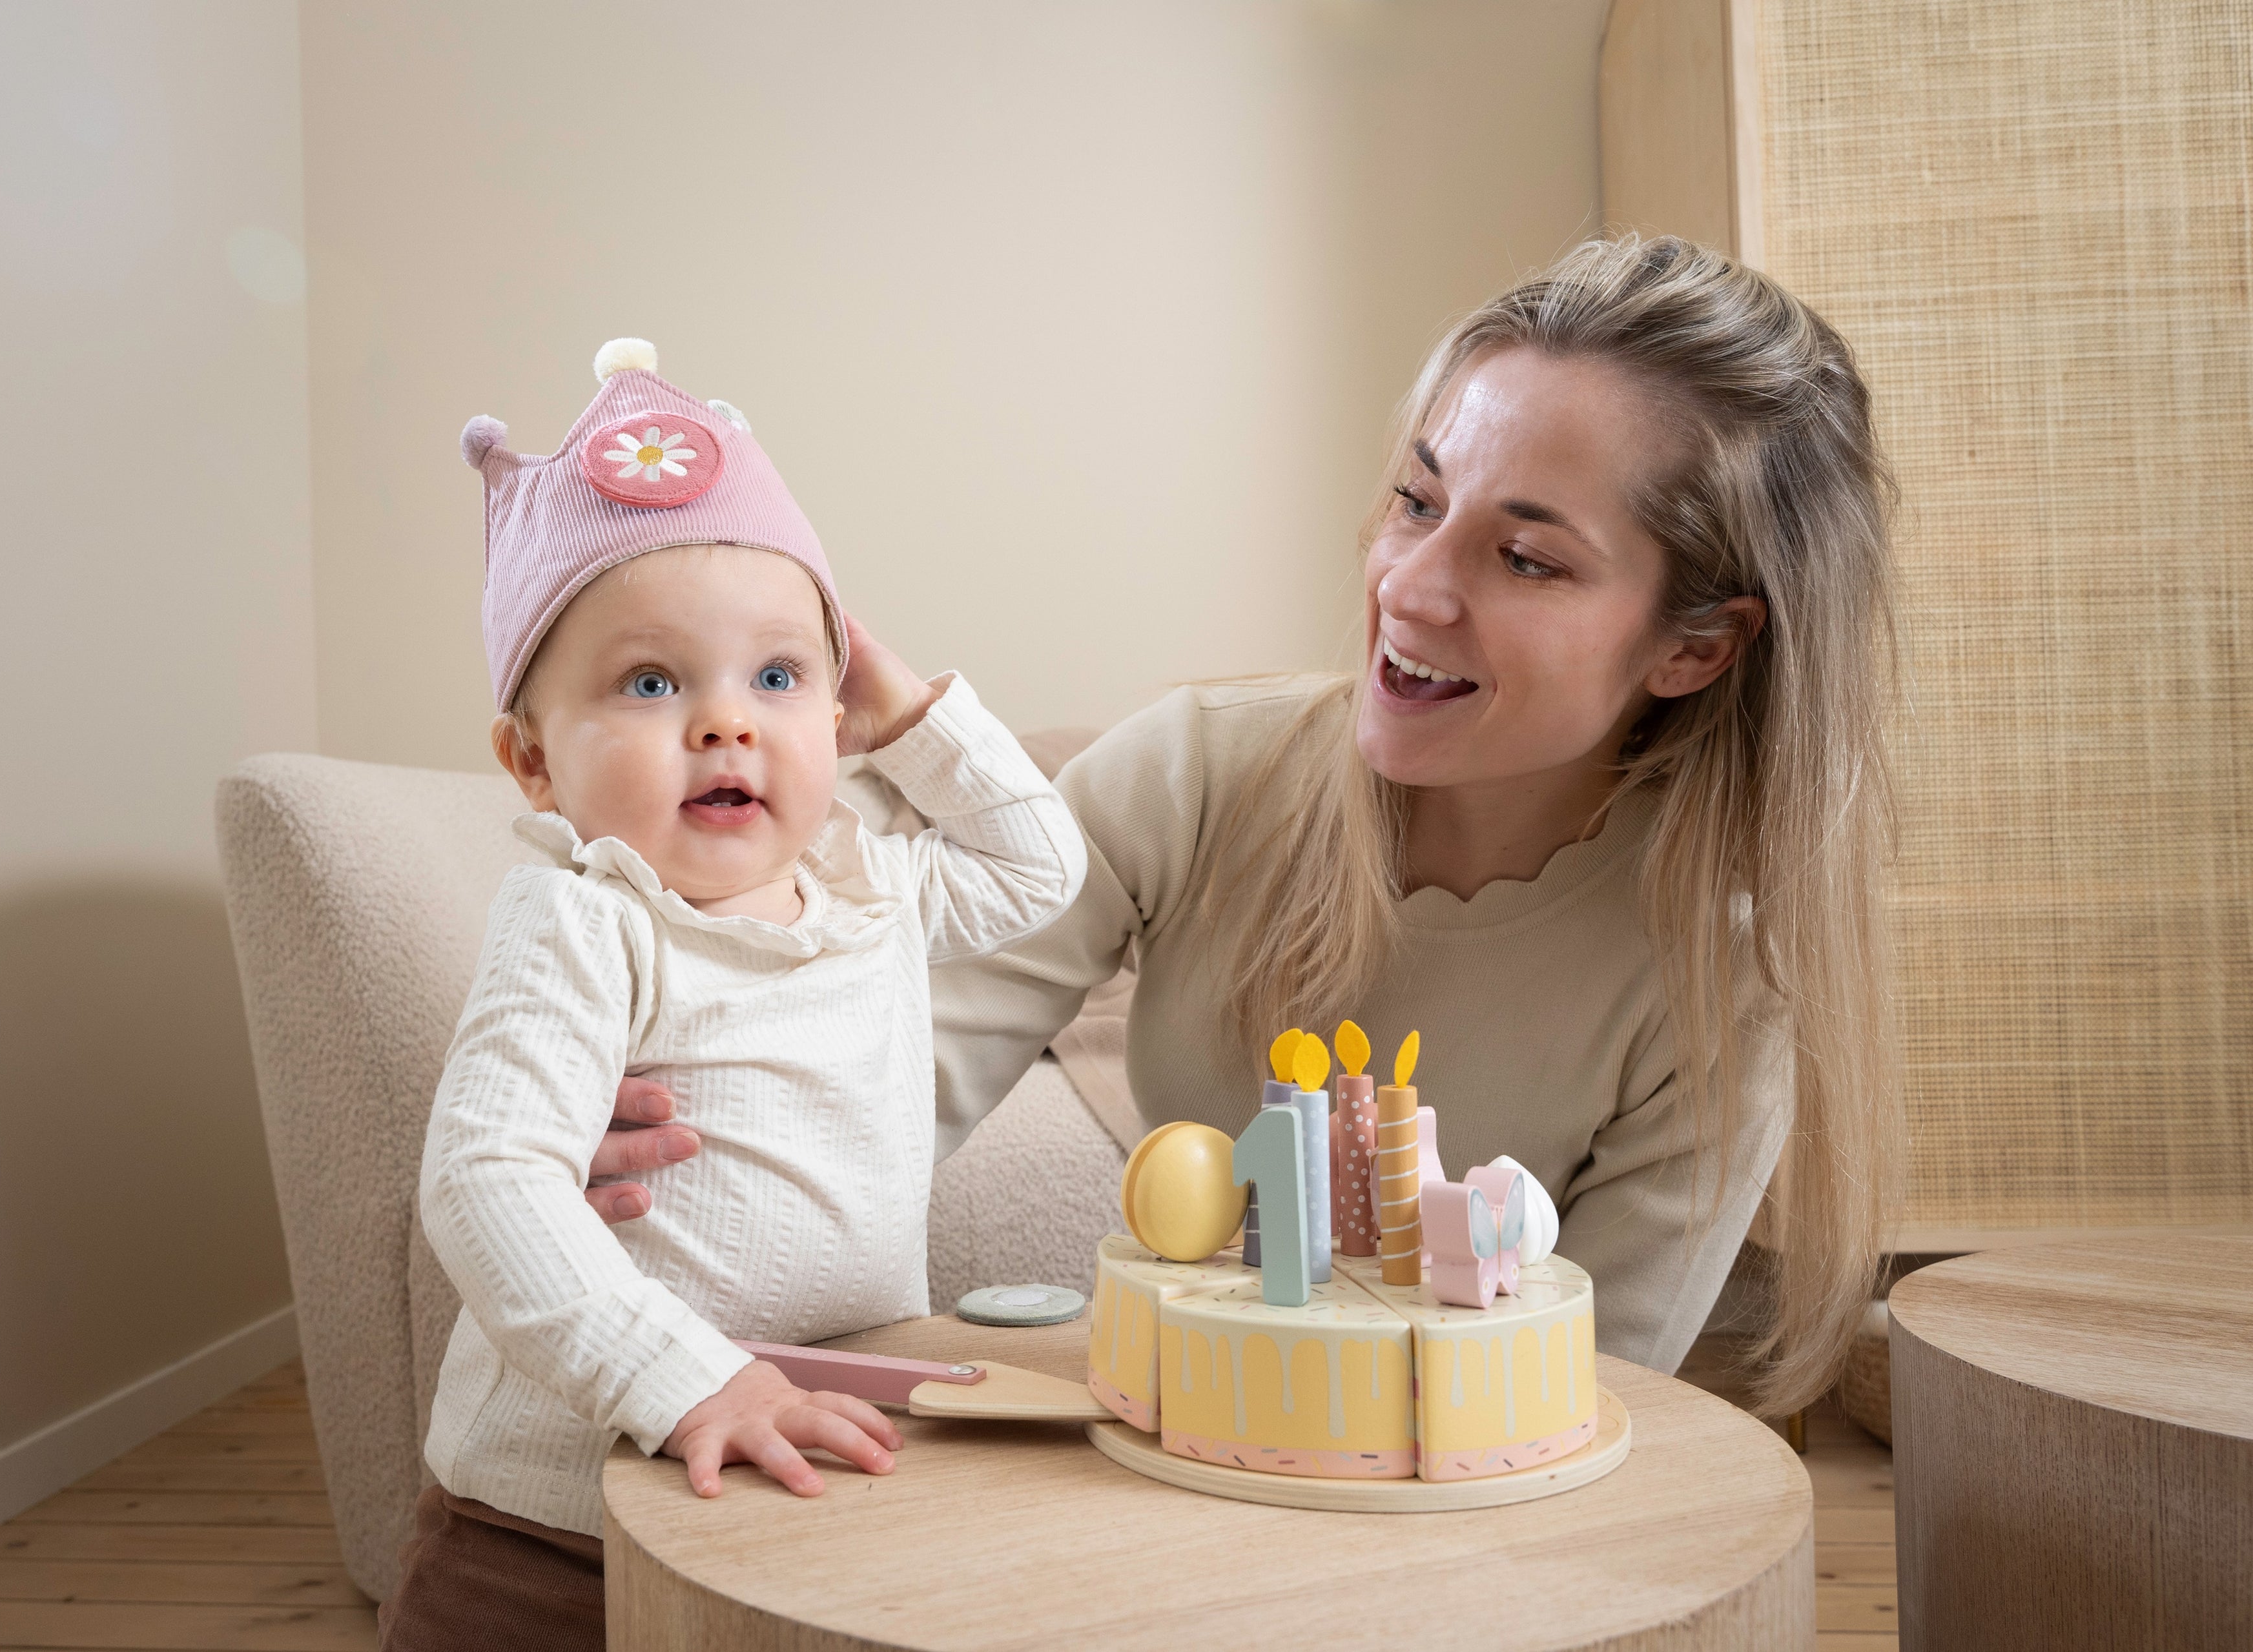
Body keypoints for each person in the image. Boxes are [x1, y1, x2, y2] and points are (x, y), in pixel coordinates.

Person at [589, 234, 1900, 1421]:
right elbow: (877, 1084)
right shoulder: (1202, 770)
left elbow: (1580, 1401)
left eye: (1528, 557)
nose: (1413, 587)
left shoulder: (1720, 989)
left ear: (1695, 644)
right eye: (1418, 501)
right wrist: (696, 1148)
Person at [380, 340, 1087, 1649]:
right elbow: (487, 1178)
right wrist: (684, 1375)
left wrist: (911, 710)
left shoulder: (872, 891)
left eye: (779, 676)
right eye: (653, 683)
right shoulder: (590, 915)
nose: (728, 721)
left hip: (799, 1460)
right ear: (532, 763)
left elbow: (1039, 863)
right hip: (554, 1524)